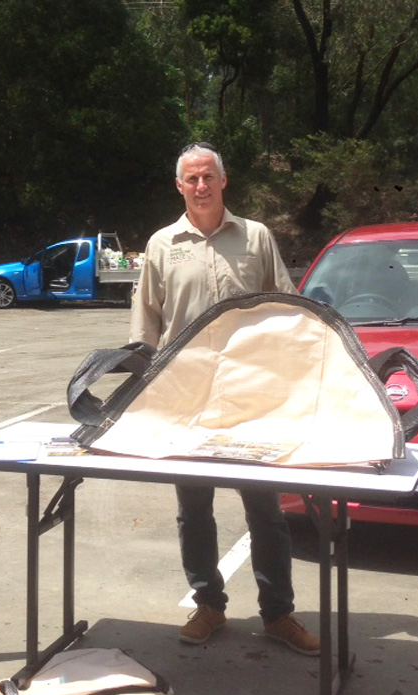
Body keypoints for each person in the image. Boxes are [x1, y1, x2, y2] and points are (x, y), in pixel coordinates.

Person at [130, 142, 319, 656]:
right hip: (184, 400)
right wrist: (142, 392)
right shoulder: (162, 245)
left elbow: (285, 308)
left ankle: (278, 614)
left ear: (223, 179)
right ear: (179, 186)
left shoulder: (255, 236)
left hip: (251, 399)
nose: (201, 186)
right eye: (191, 178)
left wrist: (288, 383)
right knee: (194, 510)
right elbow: (146, 322)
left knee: (266, 510)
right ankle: (209, 604)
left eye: (208, 176)